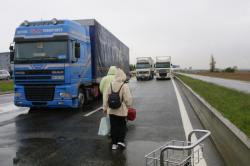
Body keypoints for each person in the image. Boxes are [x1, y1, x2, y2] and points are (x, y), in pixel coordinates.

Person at [103, 68, 132, 150]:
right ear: (123, 76)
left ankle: (114, 144)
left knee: (113, 127)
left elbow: (106, 97)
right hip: (121, 111)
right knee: (122, 126)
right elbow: (128, 99)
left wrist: (105, 108)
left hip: (111, 111)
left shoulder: (110, 85)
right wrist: (128, 106)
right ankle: (121, 141)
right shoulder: (124, 86)